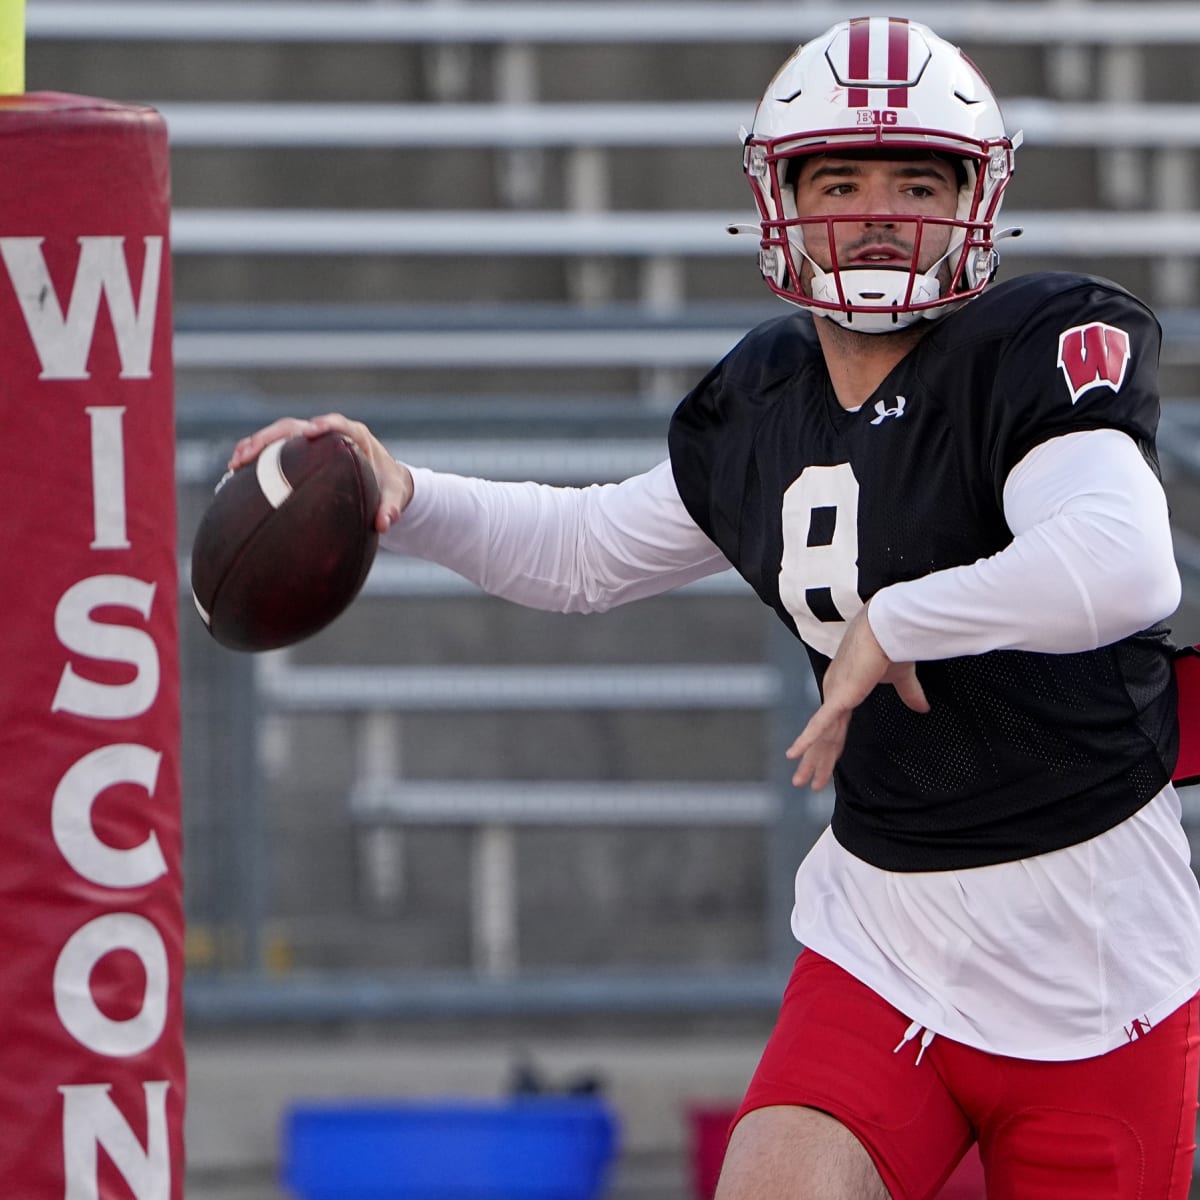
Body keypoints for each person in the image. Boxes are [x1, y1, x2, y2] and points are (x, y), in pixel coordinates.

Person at [229, 18, 1200, 1200]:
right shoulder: (765, 402)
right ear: (780, 201)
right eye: (838, 180)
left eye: (916, 180)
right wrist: (404, 494)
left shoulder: (1029, 348)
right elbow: (586, 551)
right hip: (884, 932)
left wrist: (898, 620)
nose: (877, 212)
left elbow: (1124, 562)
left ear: (974, 204)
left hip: (1090, 958)